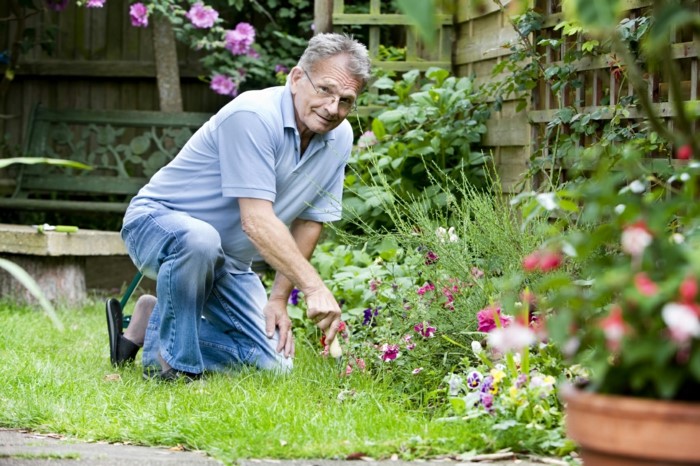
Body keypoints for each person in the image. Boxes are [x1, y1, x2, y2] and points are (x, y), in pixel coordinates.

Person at [106, 32, 371, 381]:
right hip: (158, 224)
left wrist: (278, 298)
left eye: (346, 100)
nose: (332, 108)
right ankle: (172, 367)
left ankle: (152, 320)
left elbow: (309, 220)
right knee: (200, 238)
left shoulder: (340, 137)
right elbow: (256, 221)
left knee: (274, 366)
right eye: (324, 89)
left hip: (229, 261)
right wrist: (313, 288)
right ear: (296, 78)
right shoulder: (254, 115)